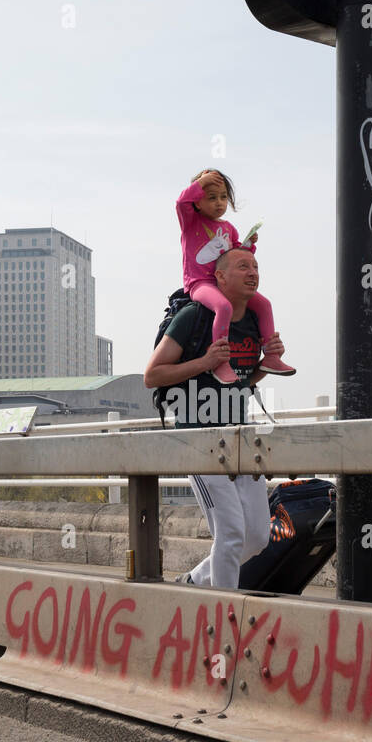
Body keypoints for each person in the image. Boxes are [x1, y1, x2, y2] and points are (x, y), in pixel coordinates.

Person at [144, 248, 286, 589]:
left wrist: (268, 363)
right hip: (200, 439)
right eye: (242, 266)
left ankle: (193, 581)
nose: (252, 272)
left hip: (239, 437)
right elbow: (152, 375)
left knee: (257, 538)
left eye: (255, 266)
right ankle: (223, 614)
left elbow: (240, 381)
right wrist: (205, 361)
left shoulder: (253, 321)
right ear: (219, 276)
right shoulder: (194, 316)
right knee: (232, 533)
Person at [177, 169, 294, 384]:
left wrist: (248, 244)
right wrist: (200, 183)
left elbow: (236, 254)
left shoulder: (228, 228)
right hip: (200, 283)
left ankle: (271, 356)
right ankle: (221, 362)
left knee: (265, 304)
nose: (219, 203)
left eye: (223, 197)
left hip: (224, 283)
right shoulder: (190, 222)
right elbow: (180, 202)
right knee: (224, 307)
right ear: (197, 202)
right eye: (211, 198)